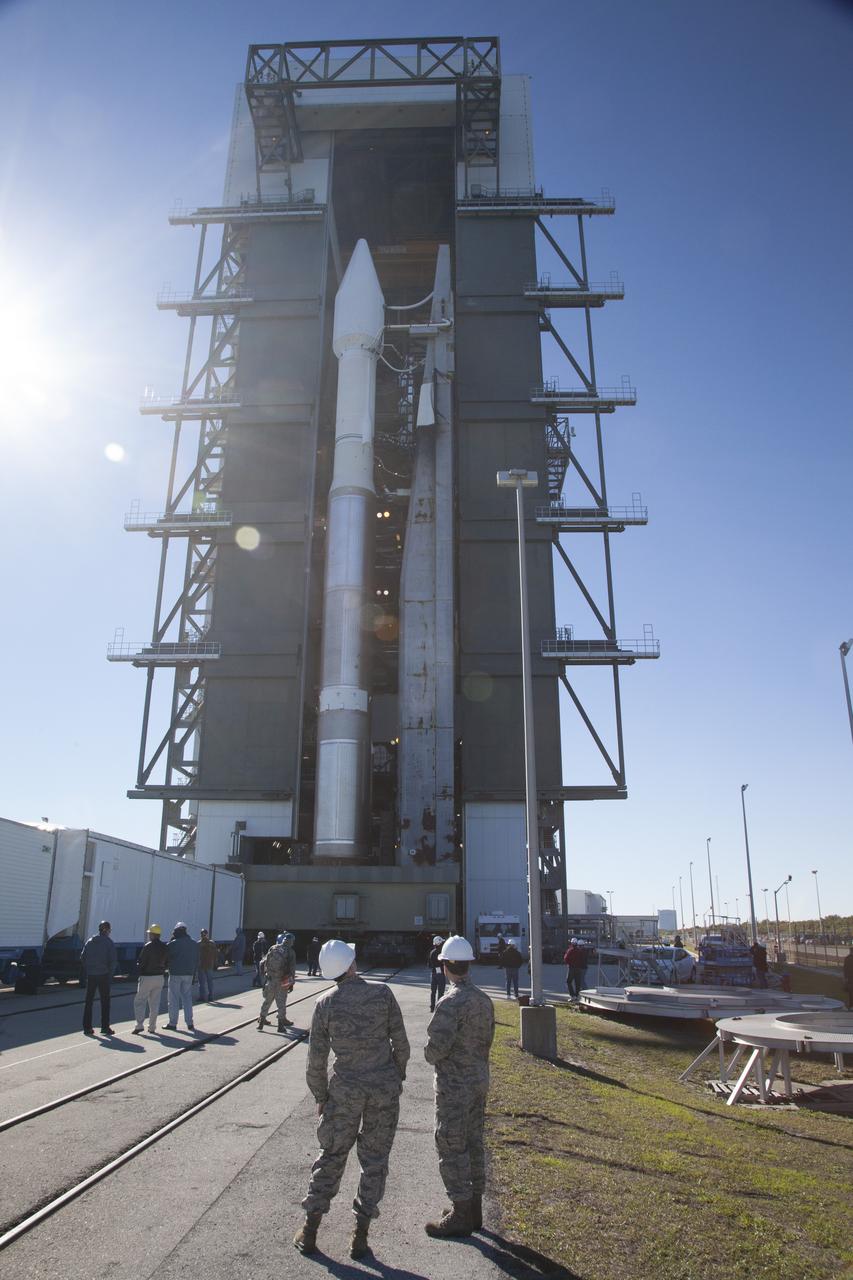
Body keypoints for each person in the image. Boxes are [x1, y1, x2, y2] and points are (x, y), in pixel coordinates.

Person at [293, 939, 410, 1261]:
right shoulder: (382, 994)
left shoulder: (325, 1003)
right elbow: (401, 1043)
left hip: (344, 1092)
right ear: (352, 964)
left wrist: (321, 1096)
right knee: (374, 1162)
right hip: (382, 1090)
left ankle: (310, 1230)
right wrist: (394, 1076)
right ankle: (360, 1237)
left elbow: (315, 1059)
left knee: (331, 1155)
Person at [424, 934, 495, 1238]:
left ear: (445, 967)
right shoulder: (484, 999)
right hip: (478, 1081)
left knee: (451, 1145)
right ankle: (473, 1209)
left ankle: (460, 1213)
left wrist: (431, 1053)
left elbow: (434, 1051)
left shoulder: (450, 1002)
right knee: (473, 1143)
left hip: (454, 1087)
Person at [81, 920, 117, 1036]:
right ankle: (105, 1027)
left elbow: (83, 957)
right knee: (105, 1002)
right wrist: (109, 975)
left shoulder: (90, 942)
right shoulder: (109, 943)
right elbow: (112, 961)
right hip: (103, 975)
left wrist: (89, 969)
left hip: (91, 975)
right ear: (107, 930)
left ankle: (87, 1028)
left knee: (88, 1002)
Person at [132, 923, 167, 1033]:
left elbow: (142, 962)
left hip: (147, 977)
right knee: (154, 1003)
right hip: (159, 977)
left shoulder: (148, 946)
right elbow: (167, 962)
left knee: (140, 1001)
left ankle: (139, 1025)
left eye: (149, 934)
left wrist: (138, 968)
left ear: (152, 934)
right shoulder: (165, 947)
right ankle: (152, 1027)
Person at [258, 932, 296, 1031]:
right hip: (282, 981)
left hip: (270, 980)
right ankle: (280, 1026)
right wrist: (291, 983)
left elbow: (263, 962)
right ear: (291, 942)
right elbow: (292, 970)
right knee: (281, 1003)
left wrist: (266, 975)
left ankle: (261, 1022)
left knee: (267, 1001)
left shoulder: (273, 947)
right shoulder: (290, 952)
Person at [164, 922, 199, 1032]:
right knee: (187, 998)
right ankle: (190, 1023)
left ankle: (173, 1023)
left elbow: (166, 957)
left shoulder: (173, 944)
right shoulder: (194, 944)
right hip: (188, 974)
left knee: (173, 998)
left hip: (175, 974)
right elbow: (197, 960)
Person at [198, 928, 217, 1002]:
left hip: (201, 965)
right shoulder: (212, 943)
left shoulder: (198, 943)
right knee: (209, 981)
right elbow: (215, 954)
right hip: (209, 965)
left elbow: (197, 955)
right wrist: (215, 962)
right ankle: (211, 996)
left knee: (202, 982)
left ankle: (202, 996)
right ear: (207, 934)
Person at [428, 935, 446, 1011]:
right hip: (440, 974)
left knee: (433, 991)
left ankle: (432, 1007)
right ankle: (439, 1008)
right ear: (439, 943)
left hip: (433, 973)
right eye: (441, 942)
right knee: (441, 992)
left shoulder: (431, 952)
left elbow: (429, 965)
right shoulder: (442, 952)